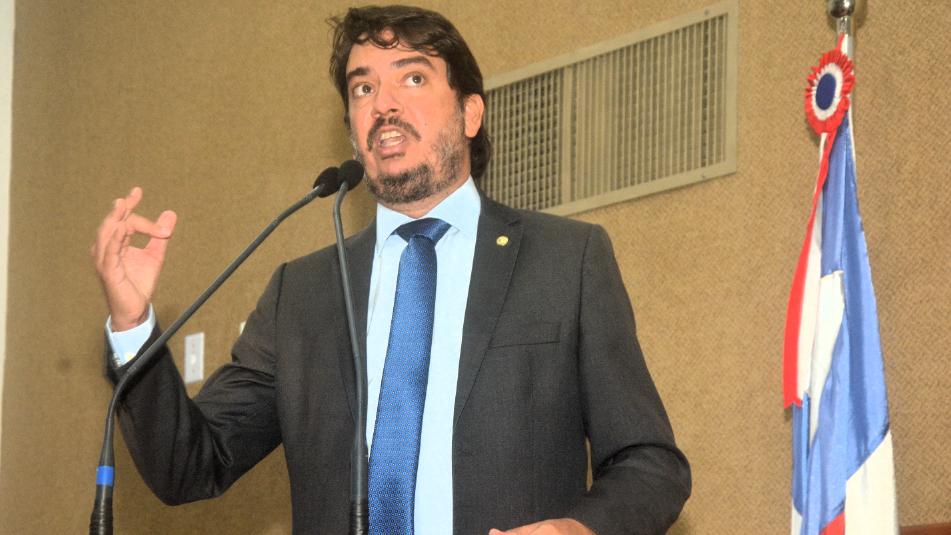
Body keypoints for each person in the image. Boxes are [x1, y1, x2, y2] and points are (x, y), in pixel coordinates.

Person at [92, 5, 690, 535]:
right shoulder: (301, 294)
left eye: (413, 77)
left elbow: (650, 462)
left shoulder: (565, 260)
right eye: (363, 88)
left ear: (470, 113)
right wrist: (133, 322)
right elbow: (190, 466)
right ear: (353, 134)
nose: (383, 104)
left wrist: (579, 529)